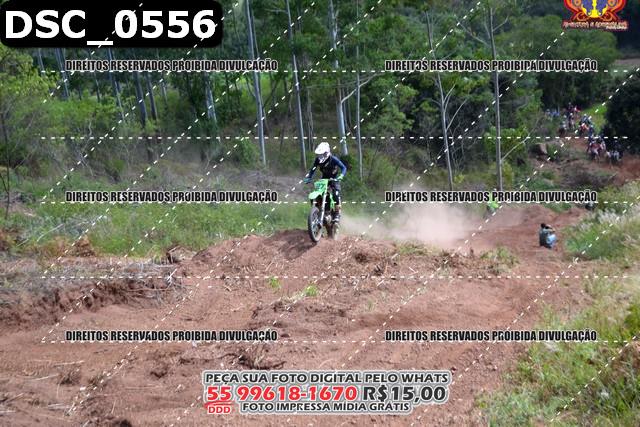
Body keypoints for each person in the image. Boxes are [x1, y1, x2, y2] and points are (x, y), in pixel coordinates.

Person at [303, 142, 347, 223]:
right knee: (317, 193)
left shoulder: (333, 159)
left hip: (334, 179)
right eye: (319, 155)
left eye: (321, 154)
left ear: (326, 153)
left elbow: (343, 167)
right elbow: (313, 169)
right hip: (324, 179)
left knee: (335, 194)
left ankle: (337, 214)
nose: (320, 156)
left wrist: (341, 176)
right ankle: (317, 211)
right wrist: (309, 177)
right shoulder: (318, 160)